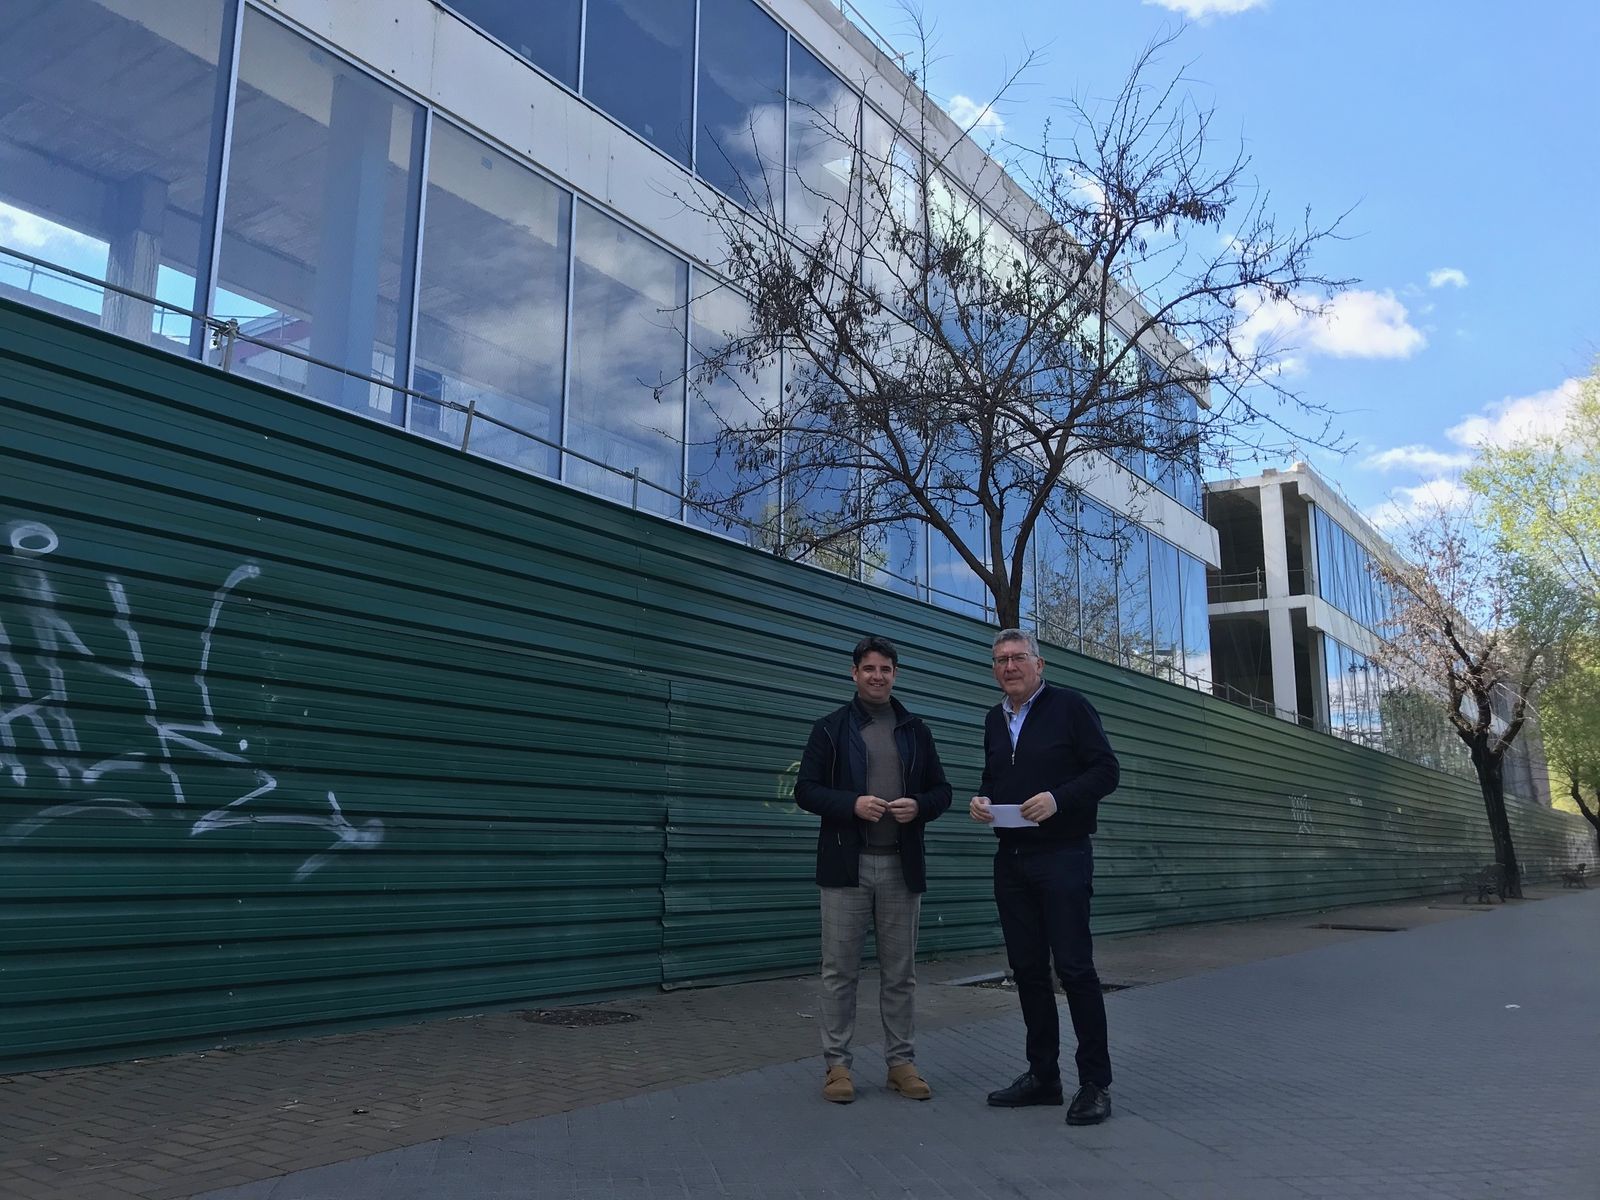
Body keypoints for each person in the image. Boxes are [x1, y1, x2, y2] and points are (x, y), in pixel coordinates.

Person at [969, 628, 1121, 1126]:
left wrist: (1059, 798)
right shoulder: (994, 720)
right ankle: (1043, 1077)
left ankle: (1095, 1084)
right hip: (1010, 859)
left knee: (1074, 969)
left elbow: (1106, 771)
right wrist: (982, 801)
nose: (1008, 666)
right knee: (1027, 970)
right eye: (999, 660)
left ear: (1040, 665)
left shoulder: (1070, 707)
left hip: (1063, 855)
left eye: (1017, 657)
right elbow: (994, 778)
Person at [795, 634, 952, 1104]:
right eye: (869, 669)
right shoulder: (829, 729)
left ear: (895, 675)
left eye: (886, 669)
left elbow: (942, 792)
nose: (877, 677)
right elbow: (805, 790)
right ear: (854, 673)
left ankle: (900, 1064)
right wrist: (851, 804)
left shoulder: (915, 730)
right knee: (838, 972)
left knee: (900, 974)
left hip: (901, 870)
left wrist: (919, 806)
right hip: (847, 868)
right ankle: (837, 1066)